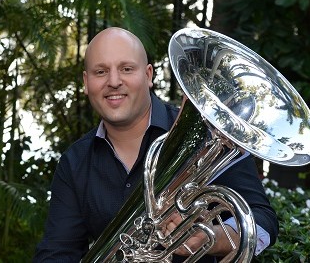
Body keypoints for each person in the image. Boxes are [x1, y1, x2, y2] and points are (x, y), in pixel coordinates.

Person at [33, 27, 278, 262]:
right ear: (86, 83)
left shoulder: (210, 136)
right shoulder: (75, 162)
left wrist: (211, 239)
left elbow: (263, 220)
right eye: (101, 72)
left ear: (148, 75)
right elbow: (58, 251)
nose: (114, 81)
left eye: (127, 69)